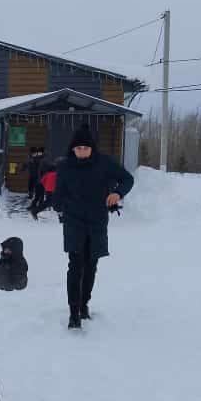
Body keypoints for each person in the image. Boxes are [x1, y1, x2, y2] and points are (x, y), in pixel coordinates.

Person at [51, 124, 133, 329]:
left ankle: (84, 304)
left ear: (92, 148)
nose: (81, 152)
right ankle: (73, 312)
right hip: (74, 221)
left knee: (91, 265)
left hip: (97, 221)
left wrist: (117, 193)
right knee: (75, 265)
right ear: (73, 149)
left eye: (85, 148)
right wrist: (60, 206)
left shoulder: (104, 163)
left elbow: (127, 179)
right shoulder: (65, 166)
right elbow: (58, 194)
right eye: (78, 148)